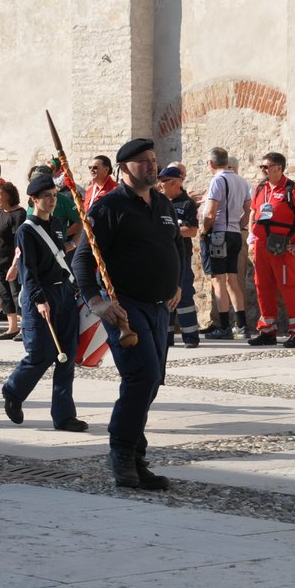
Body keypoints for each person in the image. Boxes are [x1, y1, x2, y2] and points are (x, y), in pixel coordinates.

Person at [73, 139, 181, 490]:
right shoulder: (109, 207)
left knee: (151, 382)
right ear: (124, 168)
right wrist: (96, 301)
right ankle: (121, 454)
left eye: (153, 160)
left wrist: (177, 282)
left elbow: (174, 245)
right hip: (126, 306)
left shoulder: (162, 202)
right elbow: (83, 260)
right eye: (143, 162)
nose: (152, 166)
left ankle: (136, 456)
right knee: (141, 376)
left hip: (159, 307)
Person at [1, 174, 87, 431]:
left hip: (63, 294)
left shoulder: (58, 223)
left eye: (54, 195)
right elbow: (29, 271)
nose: (52, 200)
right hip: (39, 295)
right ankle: (13, 391)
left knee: (67, 356)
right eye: (46, 196)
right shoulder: (26, 230)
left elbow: (58, 258)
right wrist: (39, 300)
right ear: (34, 200)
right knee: (42, 353)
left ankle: (63, 416)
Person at [247, 152, 295, 347]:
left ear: (278, 168)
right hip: (261, 246)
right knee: (263, 286)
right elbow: (253, 211)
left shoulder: (291, 189)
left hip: (284, 246)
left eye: (266, 167)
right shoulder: (261, 187)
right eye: (262, 167)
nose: (263, 170)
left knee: (289, 287)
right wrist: (251, 236)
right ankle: (267, 330)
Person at [199, 148, 252, 340]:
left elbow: (211, 213)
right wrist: (239, 225)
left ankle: (223, 326)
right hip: (235, 233)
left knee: (218, 280)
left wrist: (204, 231)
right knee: (232, 279)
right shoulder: (242, 181)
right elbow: (248, 209)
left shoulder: (217, 180)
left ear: (211, 163)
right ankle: (242, 325)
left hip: (218, 233)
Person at [158, 166, 201, 348]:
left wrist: (168, 231)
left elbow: (191, 230)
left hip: (181, 258)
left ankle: (190, 337)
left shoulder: (187, 204)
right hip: (164, 258)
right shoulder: (160, 203)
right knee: (164, 295)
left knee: (184, 295)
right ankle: (166, 337)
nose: (160, 186)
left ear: (175, 183)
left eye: (163, 182)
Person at [0, 181, 26, 341]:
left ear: (9, 195)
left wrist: (15, 265)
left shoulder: (19, 214)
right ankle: (12, 327)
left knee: (17, 294)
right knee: (5, 295)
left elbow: (19, 240)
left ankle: (25, 326)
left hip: (12, 263)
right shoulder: (0, 213)